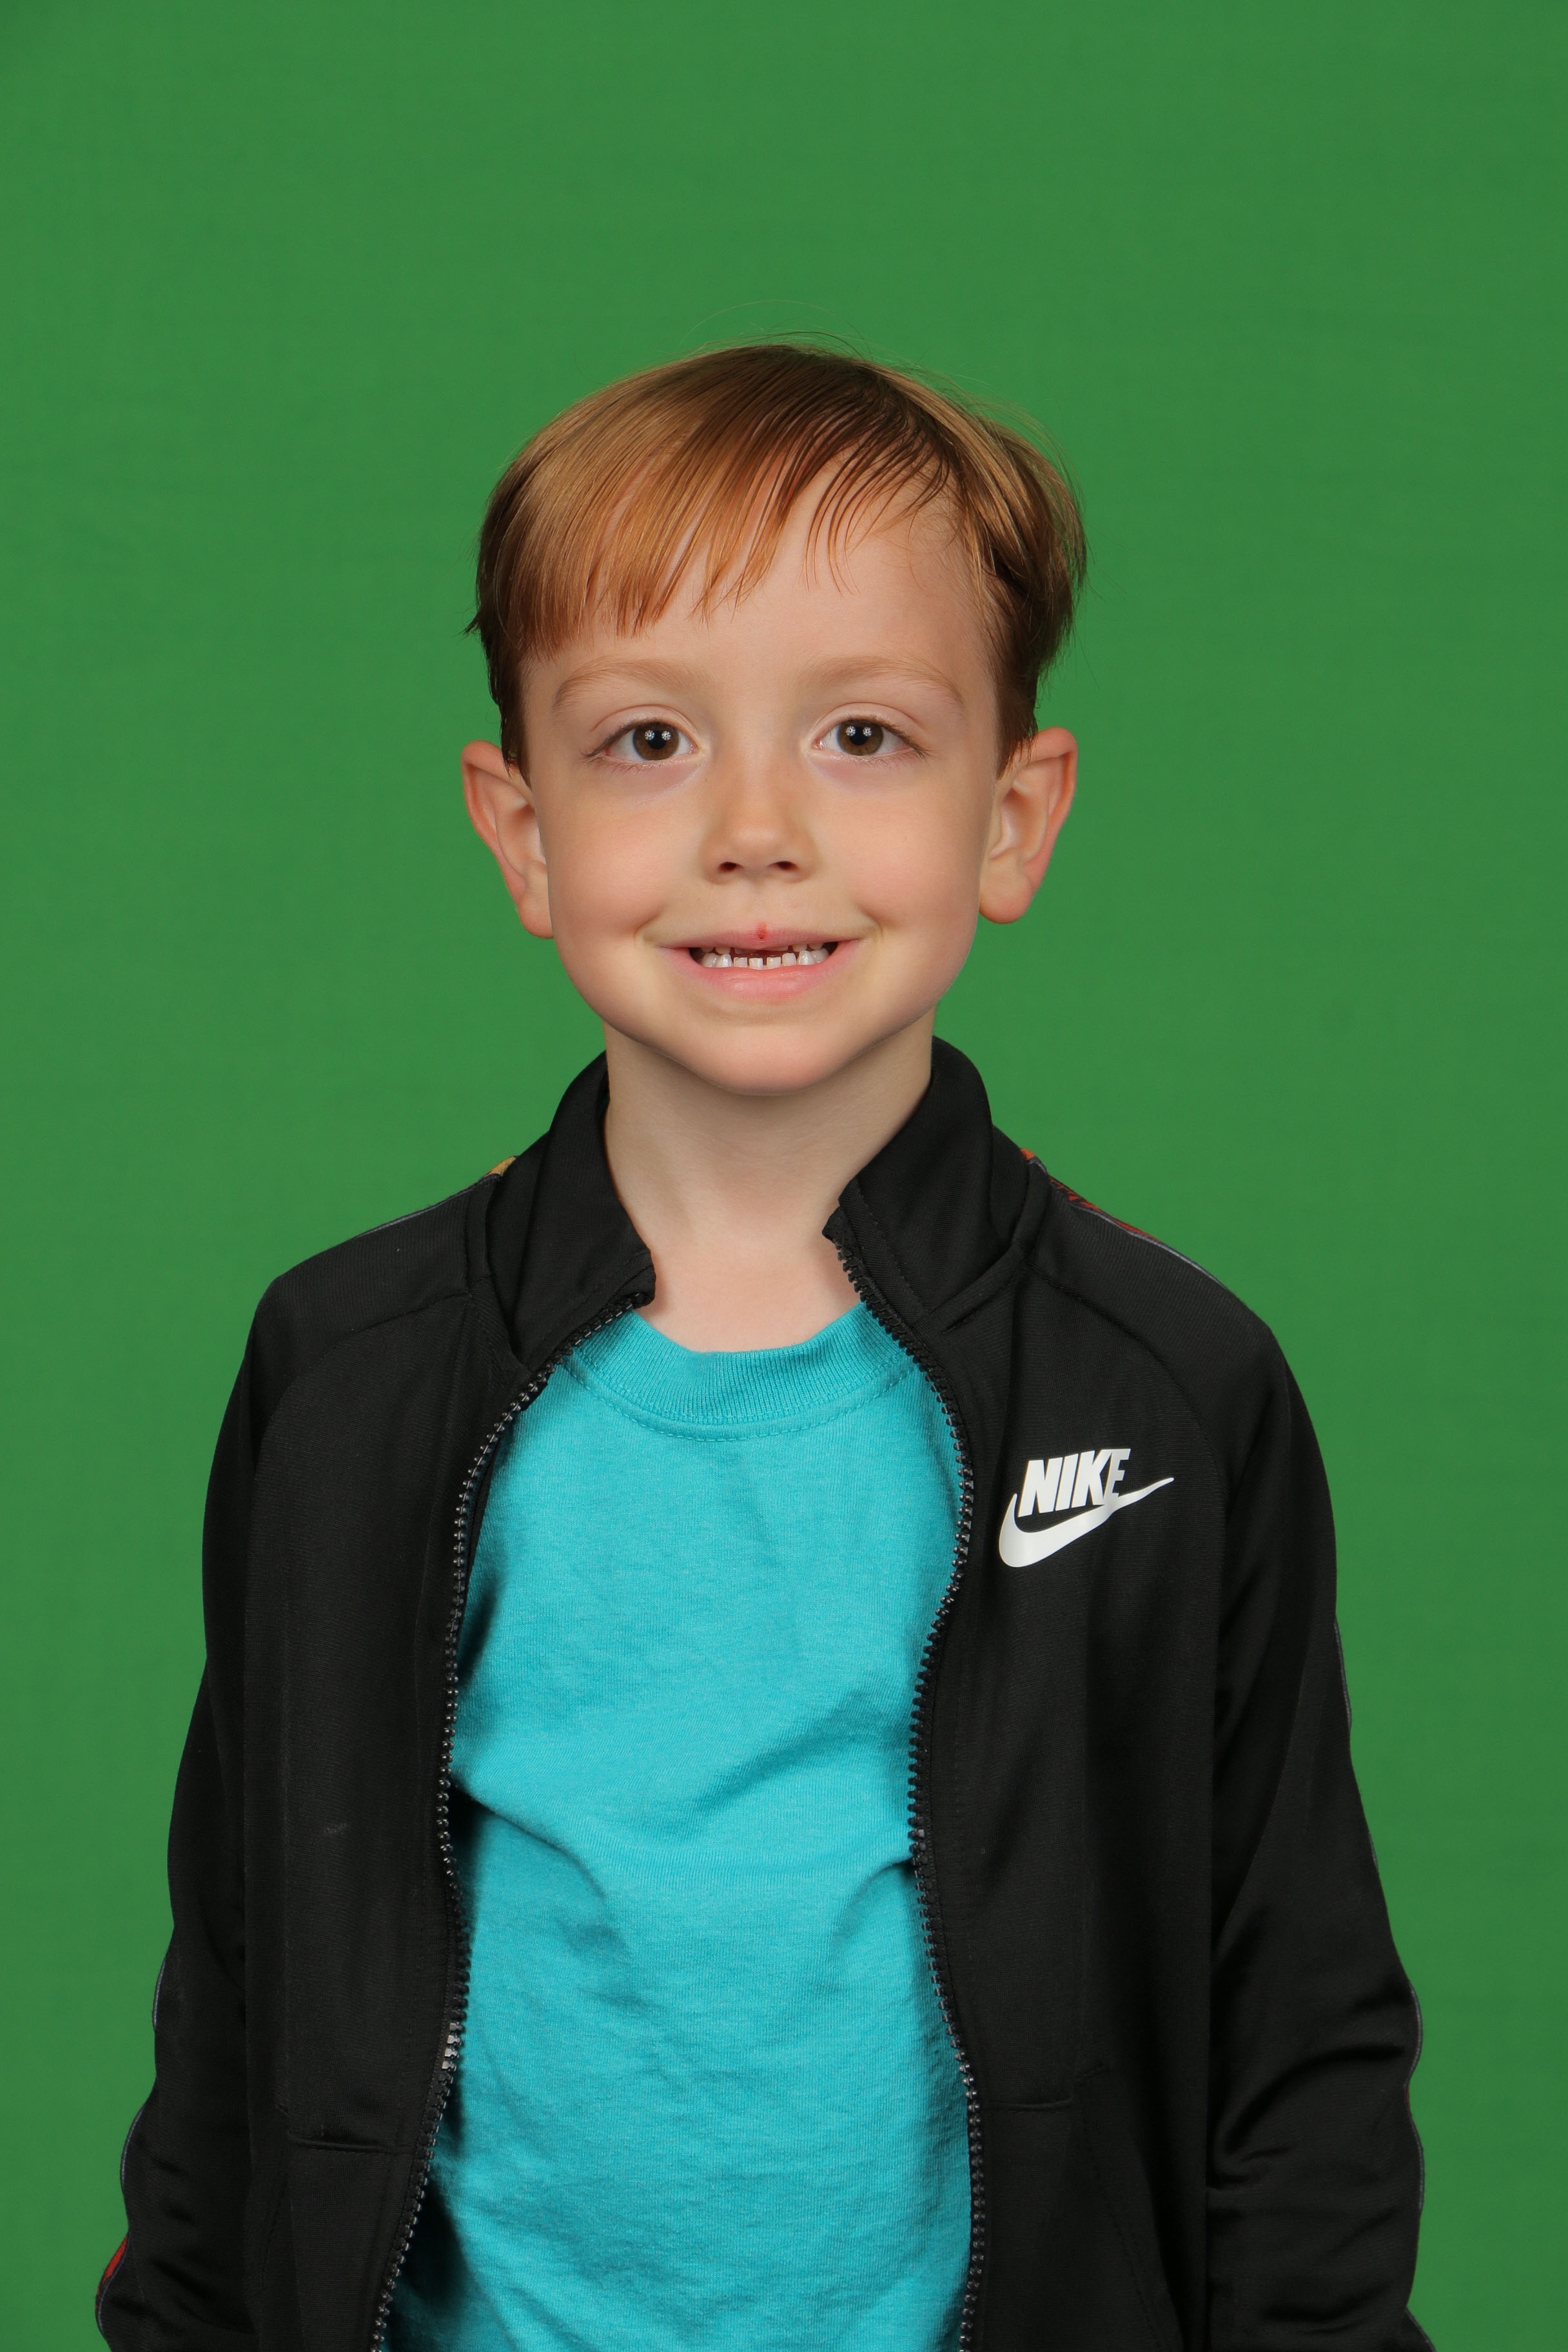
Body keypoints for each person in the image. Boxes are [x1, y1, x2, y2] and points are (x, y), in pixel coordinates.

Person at [97, 343, 1429, 2352]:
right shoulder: (349, 1372)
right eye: (647, 739)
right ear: (522, 830)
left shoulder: (1164, 1389)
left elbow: (1296, 2019)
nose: (755, 828)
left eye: (863, 736)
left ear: (1014, 816)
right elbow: (240, 1981)